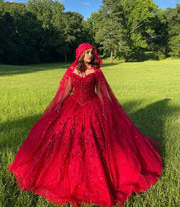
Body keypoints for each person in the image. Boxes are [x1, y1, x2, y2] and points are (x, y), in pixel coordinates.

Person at [8, 43, 163, 207]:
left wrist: (107, 110)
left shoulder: (96, 71)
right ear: (80, 54)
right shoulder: (72, 71)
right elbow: (67, 89)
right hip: (72, 106)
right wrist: (59, 104)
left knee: (98, 139)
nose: (90, 55)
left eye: (92, 52)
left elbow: (104, 92)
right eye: (87, 52)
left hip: (93, 106)